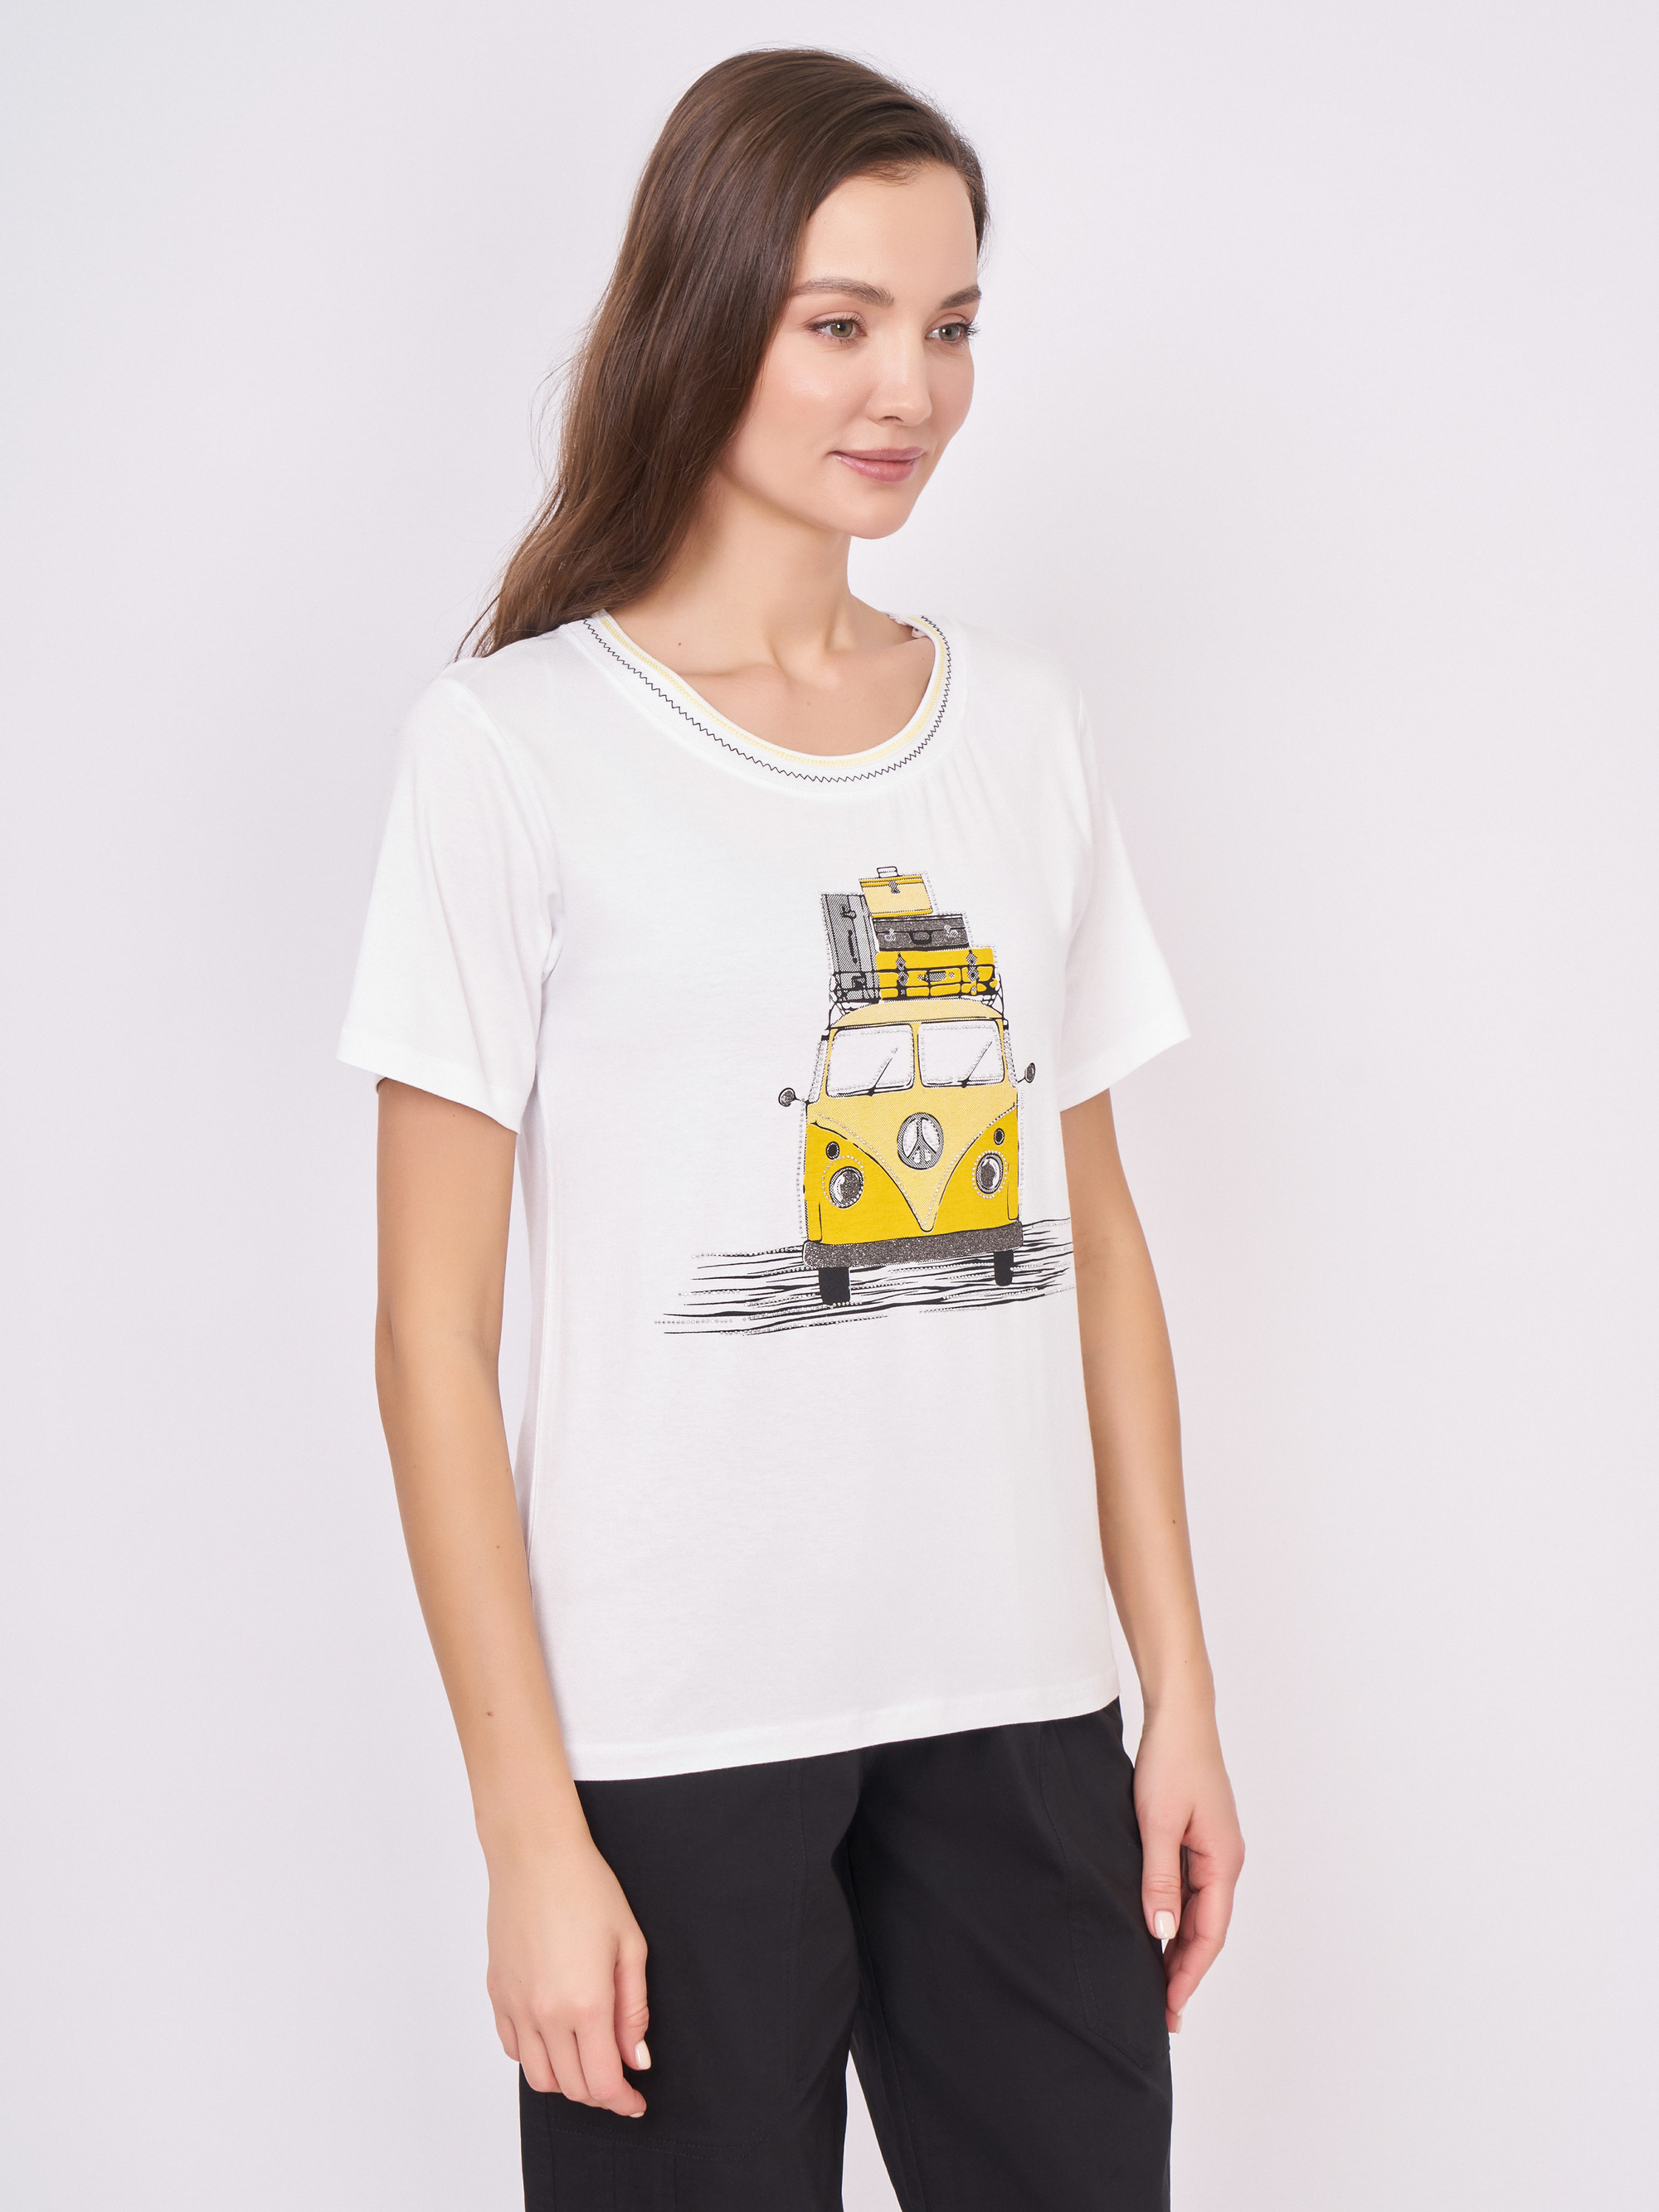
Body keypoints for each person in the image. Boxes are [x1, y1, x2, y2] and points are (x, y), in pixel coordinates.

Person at [341, 46, 1243, 2212]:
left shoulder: (1023, 727)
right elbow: (430, 1337)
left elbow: (1100, 1248)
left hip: (1024, 1715)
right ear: (709, 306)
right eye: (842, 321)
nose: (908, 389)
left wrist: (1178, 1699)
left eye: (951, 326)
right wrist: (530, 1832)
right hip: (670, 1739)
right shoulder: (511, 749)